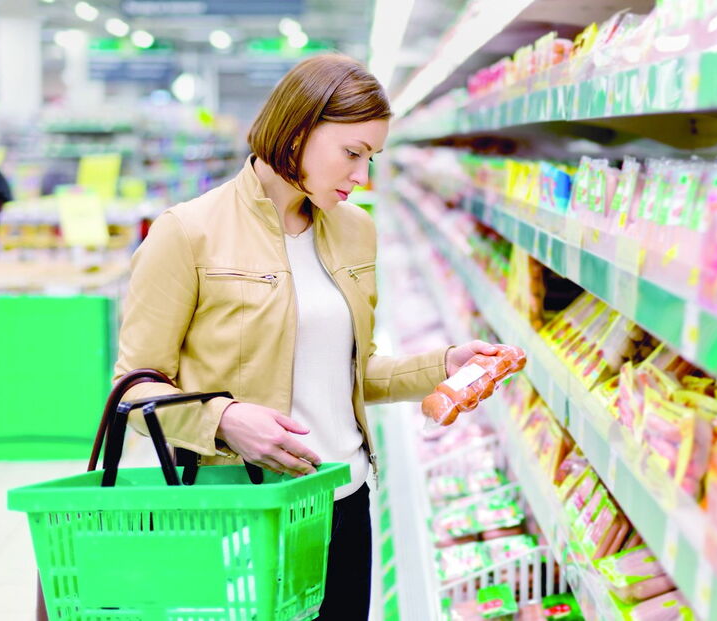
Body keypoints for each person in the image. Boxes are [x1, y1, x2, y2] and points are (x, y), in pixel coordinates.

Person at [113, 53, 506, 619]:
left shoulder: (355, 230)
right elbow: (133, 391)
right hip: (244, 509)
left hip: (344, 500)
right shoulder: (188, 232)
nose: (362, 176)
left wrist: (443, 365)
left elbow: (347, 373)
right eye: (352, 153)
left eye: (371, 158)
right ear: (297, 130)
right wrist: (224, 419)